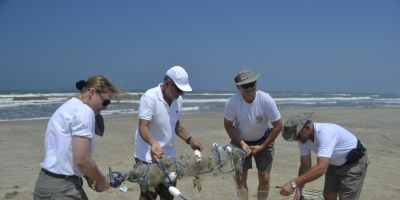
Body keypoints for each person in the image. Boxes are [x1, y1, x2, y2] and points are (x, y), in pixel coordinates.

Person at [33, 75, 119, 200]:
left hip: (46, 183)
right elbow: (83, 160)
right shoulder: (84, 111)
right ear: (92, 92)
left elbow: (66, 152)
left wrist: (88, 175)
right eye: (105, 102)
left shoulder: (69, 106)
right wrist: (101, 179)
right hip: (63, 189)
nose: (105, 107)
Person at [133, 65, 204, 200]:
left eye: (183, 91)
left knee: (168, 194)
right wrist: (153, 143)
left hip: (168, 156)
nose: (181, 94)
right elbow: (143, 126)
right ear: (167, 83)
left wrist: (189, 140)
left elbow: (175, 124)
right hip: (147, 156)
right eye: (178, 90)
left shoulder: (178, 100)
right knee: (149, 195)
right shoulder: (150, 97)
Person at [279, 112, 368, 200]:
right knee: (328, 196)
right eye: (294, 138)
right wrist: (299, 189)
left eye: (297, 137)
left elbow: (321, 168)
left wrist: (294, 183)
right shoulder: (303, 139)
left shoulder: (326, 133)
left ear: (307, 128)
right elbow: (305, 166)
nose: (296, 140)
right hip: (333, 163)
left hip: (353, 164)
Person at [224, 70, 283, 200]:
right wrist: (241, 143)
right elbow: (228, 125)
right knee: (240, 178)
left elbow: (278, 125)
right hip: (240, 141)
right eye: (245, 86)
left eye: (252, 84)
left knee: (265, 177)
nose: (250, 88)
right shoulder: (232, 103)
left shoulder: (266, 100)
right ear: (238, 87)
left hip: (264, 140)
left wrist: (262, 146)